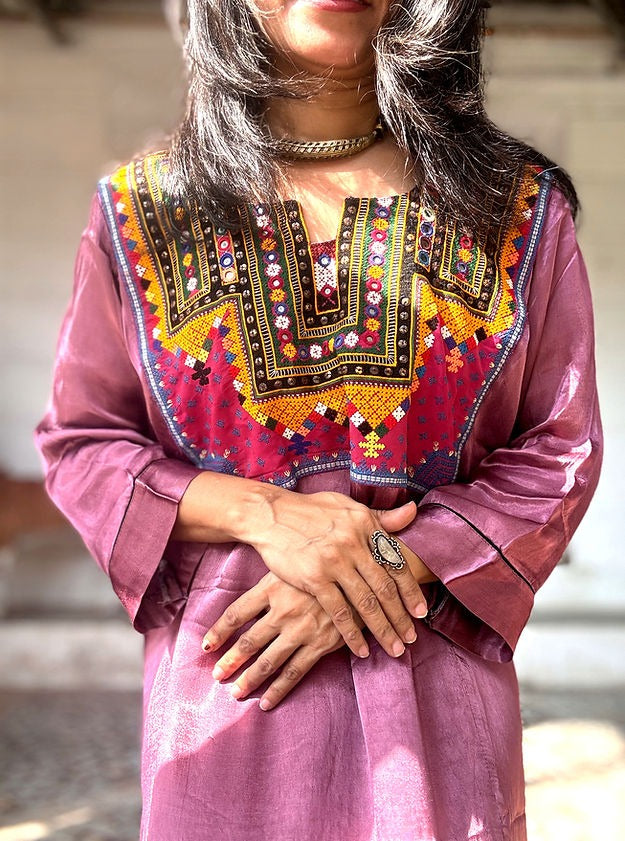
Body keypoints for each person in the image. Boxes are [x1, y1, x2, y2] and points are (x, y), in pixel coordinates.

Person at [36, 1, 602, 839]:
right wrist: (267, 514)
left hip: (435, 729)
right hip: (225, 708)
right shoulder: (143, 214)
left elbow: (556, 453)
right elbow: (82, 444)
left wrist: (384, 560)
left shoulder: (514, 211)